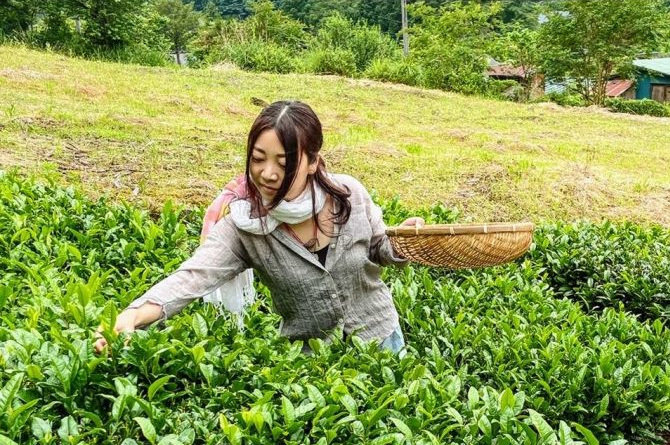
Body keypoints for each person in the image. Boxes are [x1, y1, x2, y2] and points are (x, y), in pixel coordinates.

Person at [94, 100, 424, 356]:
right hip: (312, 361)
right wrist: (132, 316)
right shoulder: (244, 224)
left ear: (312, 161)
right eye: (258, 158)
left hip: (382, 343)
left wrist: (403, 243)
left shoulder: (348, 194)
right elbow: (193, 277)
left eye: (284, 162)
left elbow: (379, 247)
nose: (267, 173)